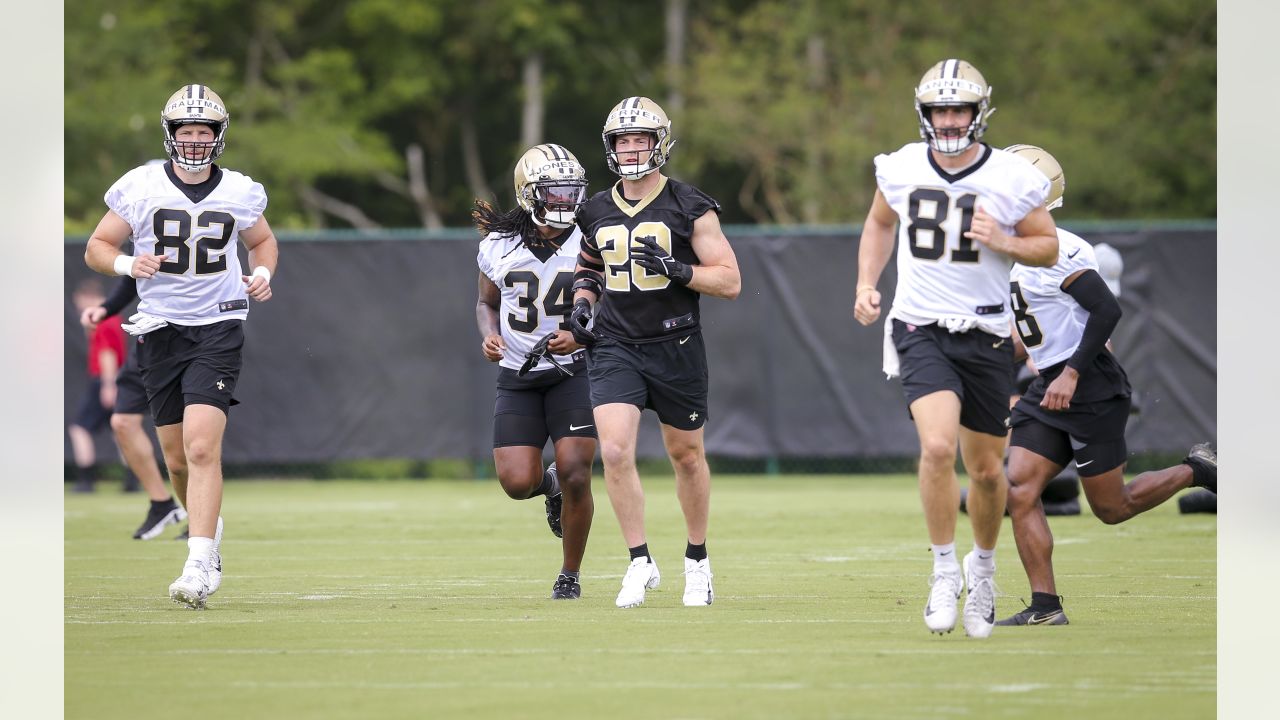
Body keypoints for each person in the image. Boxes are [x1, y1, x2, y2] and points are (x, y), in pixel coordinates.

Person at [852, 59, 1060, 638]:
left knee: (989, 471)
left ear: (978, 112)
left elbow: (1047, 245)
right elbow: (879, 224)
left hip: (989, 333)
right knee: (938, 447)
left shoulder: (1013, 176)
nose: (948, 119)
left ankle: (984, 568)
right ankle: (945, 569)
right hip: (919, 326)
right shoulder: (901, 166)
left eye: (958, 109)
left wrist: (1006, 240)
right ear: (924, 113)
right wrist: (868, 283)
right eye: (939, 109)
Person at [997, 144, 1217, 626]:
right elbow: (1033, 329)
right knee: (1018, 489)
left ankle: (1197, 470)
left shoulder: (1058, 248)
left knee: (1112, 509)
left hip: (1088, 382)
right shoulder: (1016, 252)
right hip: (1048, 384)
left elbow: (1107, 310)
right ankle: (1045, 607)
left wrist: (1073, 373)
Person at [84, 84, 278, 608]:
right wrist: (128, 264)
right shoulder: (141, 185)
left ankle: (198, 562)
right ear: (172, 135)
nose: (195, 141)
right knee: (176, 458)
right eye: (187, 132)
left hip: (217, 327)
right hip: (158, 329)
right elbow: (97, 246)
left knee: (200, 445)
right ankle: (205, 531)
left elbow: (262, 241)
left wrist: (260, 272)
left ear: (219, 136)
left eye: (204, 132)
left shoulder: (238, 190)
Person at [570, 96, 741, 609]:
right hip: (616, 344)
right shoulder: (596, 208)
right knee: (616, 451)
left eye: (640, 138)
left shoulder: (690, 205)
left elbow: (730, 281)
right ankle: (639, 561)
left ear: (659, 142)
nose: (631, 148)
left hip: (676, 343)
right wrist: (582, 302)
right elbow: (589, 266)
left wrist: (679, 269)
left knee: (686, 456)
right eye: (622, 139)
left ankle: (697, 560)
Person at [474, 143, 597, 600]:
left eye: (572, 191)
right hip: (519, 373)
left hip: (576, 370)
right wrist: (489, 334)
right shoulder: (497, 244)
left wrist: (583, 336)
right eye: (556, 192)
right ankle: (549, 489)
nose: (567, 200)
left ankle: (570, 574)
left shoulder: (592, 237)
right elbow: (486, 302)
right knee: (516, 482)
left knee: (577, 471)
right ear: (530, 194)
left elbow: (619, 305)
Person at [81, 275, 189, 539]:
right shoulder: (140, 240)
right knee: (122, 422)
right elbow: (115, 265)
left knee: (184, 450)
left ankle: (199, 520)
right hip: (149, 341)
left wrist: (261, 275)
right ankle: (161, 503)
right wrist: (105, 308)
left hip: (197, 338)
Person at [68, 278, 126, 493]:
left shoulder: (101, 319)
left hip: (104, 380)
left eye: (80, 302)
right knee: (119, 429)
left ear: (89, 298)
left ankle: (86, 480)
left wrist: (108, 385)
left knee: (79, 428)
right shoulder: (114, 318)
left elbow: (107, 353)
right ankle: (132, 479)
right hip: (111, 379)